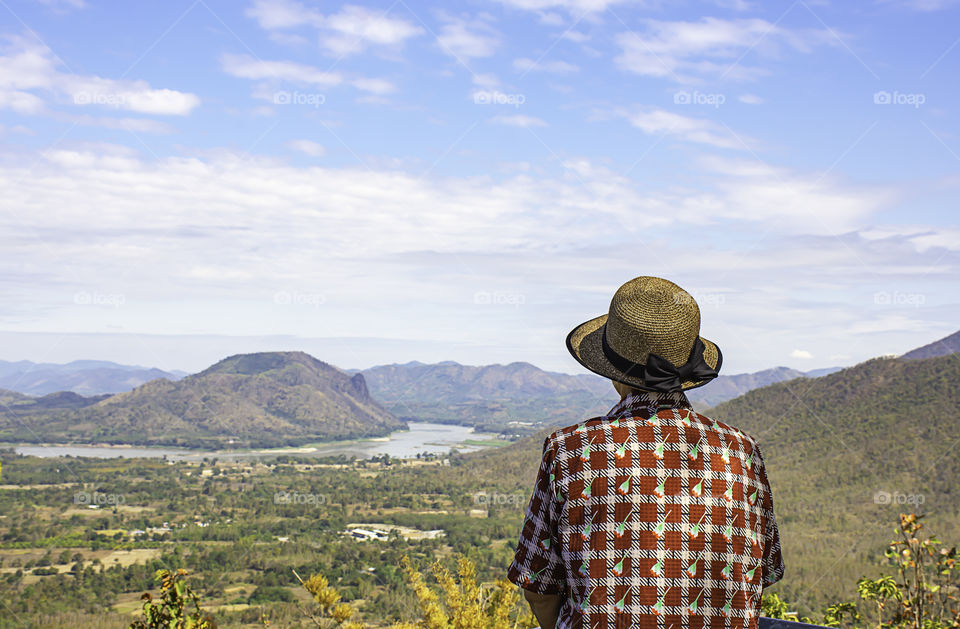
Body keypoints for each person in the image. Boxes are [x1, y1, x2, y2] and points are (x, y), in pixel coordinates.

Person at [507, 276, 785, 629]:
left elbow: (539, 586)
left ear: (612, 370)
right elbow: (765, 572)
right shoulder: (742, 452)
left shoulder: (569, 451)